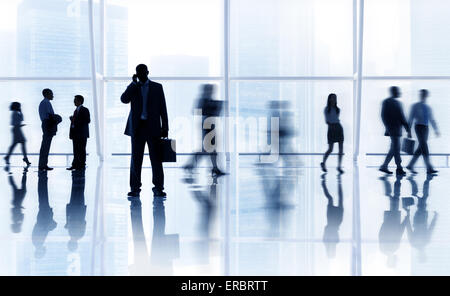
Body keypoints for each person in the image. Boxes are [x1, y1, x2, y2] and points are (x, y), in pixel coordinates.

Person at [121, 64, 169, 198]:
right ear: (136, 74)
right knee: (136, 160)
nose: (141, 74)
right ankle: (135, 188)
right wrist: (132, 84)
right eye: (138, 72)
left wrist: (165, 127)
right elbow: (124, 99)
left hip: (153, 128)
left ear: (147, 72)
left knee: (156, 160)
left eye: (143, 72)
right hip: (137, 128)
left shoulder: (157, 87)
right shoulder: (134, 87)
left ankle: (158, 188)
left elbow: (163, 109)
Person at [183, 84, 225, 176]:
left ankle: (214, 168)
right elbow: (195, 111)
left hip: (210, 124)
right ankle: (190, 165)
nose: (212, 91)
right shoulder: (203, 100)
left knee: (210, 148)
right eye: (211, 89)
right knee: (208, 148)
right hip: (207, 125)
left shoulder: (207, 99)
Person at [379, 86, 411, 176]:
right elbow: (384, 116)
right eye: (398, 91)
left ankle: (384, 166)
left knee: (394, 148)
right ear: (394, 92)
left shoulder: (396, 103)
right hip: (393, 129)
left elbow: (402, 117)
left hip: (396, 129)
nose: (399, 92)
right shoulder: (387, 102)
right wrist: (388, 127)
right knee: (396, 148)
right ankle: (399, 167)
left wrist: (407, 129)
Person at [406, 89, 439, 175]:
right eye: (422, 94)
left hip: (426, 128)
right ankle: (429, 168)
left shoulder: (428, 107)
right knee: (424, 146)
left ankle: (410, 165)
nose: (423, 96)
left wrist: (436, 129)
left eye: (424, 95)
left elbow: (432, 119)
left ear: (426, 96)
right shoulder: (415, 106)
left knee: (421, 148)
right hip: (419, 127)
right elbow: (411, 118)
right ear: (420, 95)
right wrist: (408, 131)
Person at [38, 88, 62, 171]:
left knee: (45, 146)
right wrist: (58, 118)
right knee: (46, 146)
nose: (53, 95)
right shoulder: (46, 103)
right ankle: (42, 165)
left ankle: (43, 164)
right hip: (48, 125)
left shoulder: (43, 103)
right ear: (47, 94)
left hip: (46, 124)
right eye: (51, 93)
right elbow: (50, 116)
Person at [321, 93, 344, 174]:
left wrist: (336, 125)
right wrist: (332, 125)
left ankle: (339, 166)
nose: (334, 99)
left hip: (338, 128)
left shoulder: (338, 109)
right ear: (329, 99)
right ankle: (323, 163)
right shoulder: (327, 109)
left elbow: (336, 118)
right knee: (330, 149)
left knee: (341, 149)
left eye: (335, 98)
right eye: (332, 98)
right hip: (331, 128)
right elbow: (327, 121)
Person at [67, 95, 90, 171]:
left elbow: (87, 120)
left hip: (82, 134)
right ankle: (75, 165)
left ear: (80, 101)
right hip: (76, 134)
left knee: (81, 149)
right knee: (76, 150)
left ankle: (81, 165)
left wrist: (74, 120)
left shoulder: (85, 110)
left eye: (75, 100)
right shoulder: (76, 110)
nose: (74, 101)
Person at [4, 102, 31, 166]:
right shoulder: (15, 113)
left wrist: (20, 125)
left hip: (17, 129)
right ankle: (25, 158)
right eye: (19, 106)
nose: (20, 107)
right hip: (17, 130)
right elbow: (20, 120)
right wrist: (21, 112)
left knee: (16, 144)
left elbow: (17, 121)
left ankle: (8, 157)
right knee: (21, 143)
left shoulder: (14, 113)